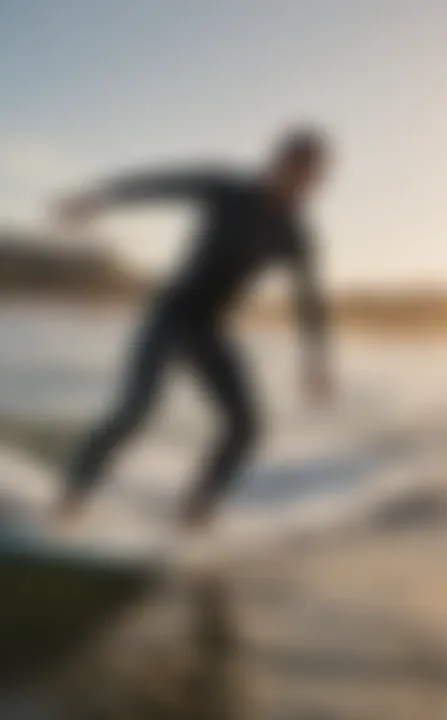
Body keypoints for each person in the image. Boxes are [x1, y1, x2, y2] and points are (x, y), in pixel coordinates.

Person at [51, 127, 334, 530]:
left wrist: (315, 359)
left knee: (245, 427)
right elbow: (161, 185)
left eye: (315, 177)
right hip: (170, 316)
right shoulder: (227, 191)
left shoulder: (295, 232)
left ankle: (194, 515)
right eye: (300, 171)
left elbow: (310, 300)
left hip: (209, 331)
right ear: (278, 163)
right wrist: (98, 199)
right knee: (136, 410)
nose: (306, 184)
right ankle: (70, 501)